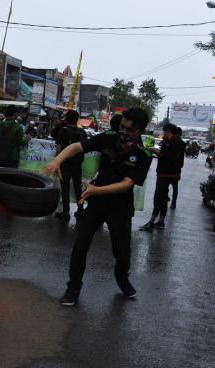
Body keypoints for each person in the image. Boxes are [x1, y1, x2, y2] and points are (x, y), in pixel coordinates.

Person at [43, 107, 152, 306]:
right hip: (96, 204)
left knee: (122, 253)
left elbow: (127, 184)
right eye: (122, 127)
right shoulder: (109, 137)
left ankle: (122, 279)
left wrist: (95, 190)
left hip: (120, 207)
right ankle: (73, 288)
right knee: (80, 245)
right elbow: (77, 147)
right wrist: (57, 161)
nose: (124, 132)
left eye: (129, 130)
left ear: (140, 131)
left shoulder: (144, 155)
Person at [140, 123, 183, 231]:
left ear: (169, 131)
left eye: (165, 131)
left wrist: (155, 151)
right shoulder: (178, 142)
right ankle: (161, 222)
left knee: (158, 197)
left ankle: (151, 222)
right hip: (172, 173)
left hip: (165, 173)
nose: (163, 133)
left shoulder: (171, 142)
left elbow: (167, 157)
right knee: (163, 197)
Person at [54, 109, 88, 221]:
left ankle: (66, 211)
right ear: (77, 120)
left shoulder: (62, 131)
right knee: (78, 187)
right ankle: (80, 209)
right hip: (77, 163)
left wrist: (56, 163)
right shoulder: (82, 132)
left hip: (65, 163)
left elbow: (58, 149)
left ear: (66, 119)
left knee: (65, 186)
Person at [168, 127, 185, 209]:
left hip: (174, 167)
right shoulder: (182, 143)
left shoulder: (173, 142)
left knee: (172, 185)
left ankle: (172, 202)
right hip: (176, 167)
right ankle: (173, 202)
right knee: (174, 186)